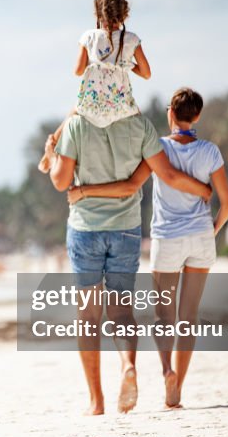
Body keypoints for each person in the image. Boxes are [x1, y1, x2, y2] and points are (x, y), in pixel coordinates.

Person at [68, 88, 228, 408]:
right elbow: (227, 203)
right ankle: (176, 389)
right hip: (200, 237)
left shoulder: (157, 148)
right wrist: (211, 230)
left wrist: (84, 191)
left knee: (164, 316)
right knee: (189, 316)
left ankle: (166, 369)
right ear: (197, 116)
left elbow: (131, 185)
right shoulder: (210, 151)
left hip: (167, 239)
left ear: (171, 113)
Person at [43, 109, 212, 415]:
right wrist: (204, 189)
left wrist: (51, 154)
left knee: (88, 316)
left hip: (85, 229)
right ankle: (127, 366)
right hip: (125, 230)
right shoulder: (140, 126)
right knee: (121, 311)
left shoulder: (76, 124)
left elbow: (59, 181)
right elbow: (168, 175)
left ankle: (96, 401)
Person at [39, 0, 151, 173]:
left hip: (90, 107)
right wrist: (127, 64)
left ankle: (49, 153)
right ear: (124, 15)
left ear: (99, 14)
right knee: (141, 120)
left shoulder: (89, 37)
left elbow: (78, 71)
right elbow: (146, 74)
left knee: (73, 113)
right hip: (121, 107)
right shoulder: (131, 39)